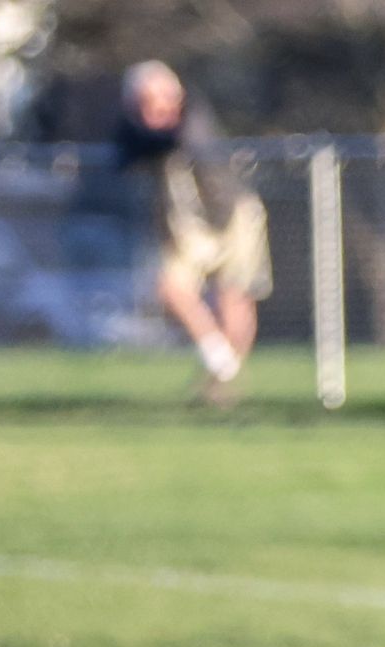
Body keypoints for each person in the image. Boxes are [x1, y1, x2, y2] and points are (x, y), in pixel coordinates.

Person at [115, 60, 272, 405]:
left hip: (230, 216)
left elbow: (180, 140)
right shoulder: (133, 132)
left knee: (234, 296)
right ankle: (218, 355)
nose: (156, 107)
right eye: (145, 101)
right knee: (169, 288)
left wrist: (152, 129)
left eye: (162, 97)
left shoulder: (194, 116)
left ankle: (221, 388)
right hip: (184, 226)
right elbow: (125, 155)